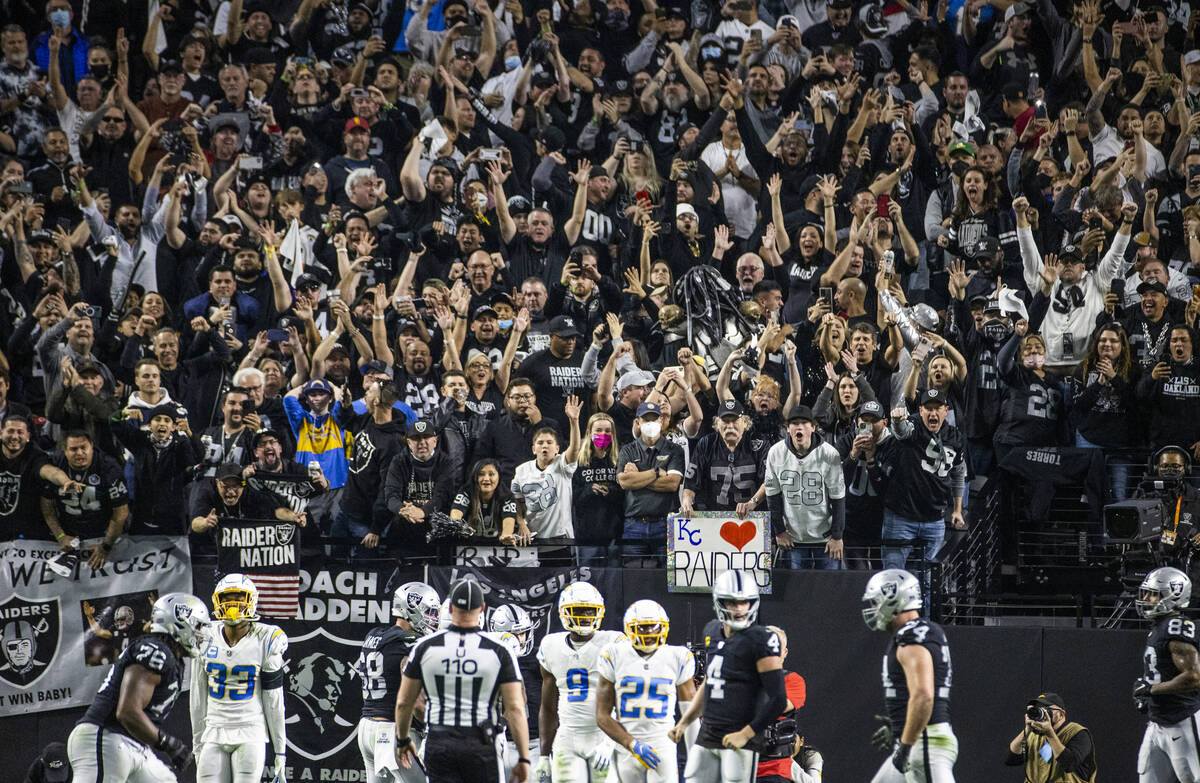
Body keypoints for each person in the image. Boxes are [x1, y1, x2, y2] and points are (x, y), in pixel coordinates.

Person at [395, 578, 531, 783]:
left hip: (439, 740)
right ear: (483, 609)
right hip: (481, 741)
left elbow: (404, 702)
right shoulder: (499, 650)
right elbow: (516, 707)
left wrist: (403, 739)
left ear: (448, 608)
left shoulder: (424, 647)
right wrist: (523, 757)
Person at [66, 593, 211, 782]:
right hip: (106, 737)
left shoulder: (171, 659)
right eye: (198, 626)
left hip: (132, 745)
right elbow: (127, 712)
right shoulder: (156, 651)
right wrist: (167, 743)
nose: (201, 634)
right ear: (180, 621)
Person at [669, 569, 786, 783]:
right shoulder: (712, 631)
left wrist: (746, 734)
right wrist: (685, 722)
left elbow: (778, 699)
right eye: (732, 602)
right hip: (709, 732)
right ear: (719, 602)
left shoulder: (762, 639)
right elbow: (710, 683)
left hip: (739, 736)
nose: (739, 608)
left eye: (744, 602)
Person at [861, 569, 957, 783]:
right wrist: (901, 725)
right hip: (919, 739)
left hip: (924, 741)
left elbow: (923, 695)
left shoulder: (912, 634)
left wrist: (906, 743)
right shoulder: (918, 631)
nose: (874, 609)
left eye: (877, 602)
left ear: (893, 598)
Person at [191, 574, 289, 783]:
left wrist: (280, 751)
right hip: (213, 731)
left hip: (250, 732)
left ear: (251, 601)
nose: (233, 603)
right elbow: (197, 698)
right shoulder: (205, 635)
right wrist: (197, 744)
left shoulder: (267, 638)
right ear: (217, 601)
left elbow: (274, 701)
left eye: (239, 597)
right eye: (227, 598)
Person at [595, 599, 697, 783]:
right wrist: (629, 743)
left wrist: (697, 757)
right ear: (629, 629)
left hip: (662, 745)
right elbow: (602, 715)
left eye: (653, 627)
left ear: (663, 627)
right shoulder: (614, 654)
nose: (648, 633)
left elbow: (690, 714)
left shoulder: (677, 656)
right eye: (641, 628)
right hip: (625, 744)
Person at [871, 390, 967, 578]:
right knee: (893, 577)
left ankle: (924, 609)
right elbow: (901, 432)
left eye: (937, 408)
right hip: (901, 517)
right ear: (920, 410)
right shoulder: (914, 425)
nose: (933, 414)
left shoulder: (954, 437)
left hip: (934, 519)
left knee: (928, 581)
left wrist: (957, 509)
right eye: (928, 409)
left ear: (946, 410)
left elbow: (959, 473)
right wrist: (898, 421)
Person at [536, 581, 625, 782]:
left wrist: (612, 741)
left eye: (590, 611)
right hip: (567, 738)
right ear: (564, 612)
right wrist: (543, 755)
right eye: (579, 610)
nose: (585, 617)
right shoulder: (551, 646)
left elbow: (626, 700)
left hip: (603, 736)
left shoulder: (614, 643)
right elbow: (548, 708)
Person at [355, 582, 440, 783]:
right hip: (392, 731)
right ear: (411, 608)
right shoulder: (410, 643)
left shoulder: (373, 636)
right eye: (429, 612)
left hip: (366, 727)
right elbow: (416, 702)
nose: (433, 619)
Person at [1133, 567, 1200, 783]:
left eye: (1152, 593)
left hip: (1182, 720)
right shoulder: (1160, 627)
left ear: (1174, 594)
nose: (1146, 598)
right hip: (1157, 723)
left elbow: (1193, 677)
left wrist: (1152, 689)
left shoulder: (1176, 627)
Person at [760, 404, 847, 569]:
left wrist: (837, 536)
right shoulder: (775, 453)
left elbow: (838, 498)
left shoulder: (829, 454)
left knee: (829, 588)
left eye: (804, 423)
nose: (799, 426)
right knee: (794, 590)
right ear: (787, 428)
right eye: (794, 423)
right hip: (792, 538)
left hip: (825, 537)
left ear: (813, 427)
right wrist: (779, 531)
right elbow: (772, 497)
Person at [616, 401, 685, 565]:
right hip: (634, 525)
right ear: (637, 423)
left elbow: (672, 484)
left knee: (667, 577)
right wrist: (655, 473)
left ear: (661, 421)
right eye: (646, 420)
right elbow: (624, 482)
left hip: (665, 523)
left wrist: (638, 477)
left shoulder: (675, 450)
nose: (651, 424)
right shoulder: (627, 450)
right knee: (633, 579)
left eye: (654, 419)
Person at [1005, 692, 1097, 782]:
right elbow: (1011, 759)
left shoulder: (1077, 733)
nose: (1042, 712)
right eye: (1038, 709)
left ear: (1061, 714)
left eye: (1046, 709)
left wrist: (1049, 733)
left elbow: (1069, 764)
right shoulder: (1033, 735)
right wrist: (1027, 729)